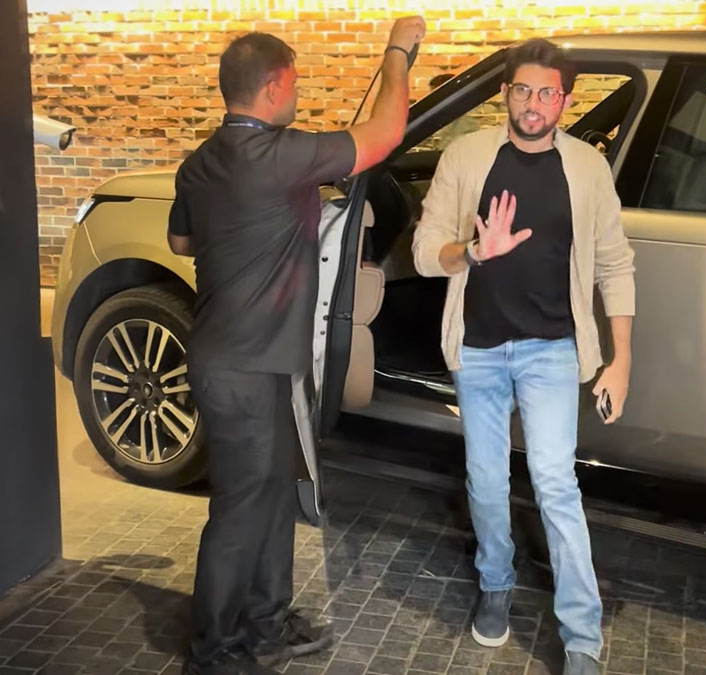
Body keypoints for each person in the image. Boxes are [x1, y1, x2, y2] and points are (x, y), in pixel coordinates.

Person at [167, 16, 426, 675]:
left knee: (274, 492)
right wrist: (398, 53)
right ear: (274, 86)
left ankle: (265, 623)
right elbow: (385, 134)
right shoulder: (282, 155)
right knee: (240, 508)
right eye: (297, 84)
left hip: (249, 361)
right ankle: (215, 650)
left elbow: (180, 242)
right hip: (245, 369)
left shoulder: (199, 163)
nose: (299, 94)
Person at [411, 38, 635, 675]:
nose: (533, 104)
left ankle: (582, 636)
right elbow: (425, 251)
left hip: (552, 348)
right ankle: (496, 582)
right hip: (478, 348)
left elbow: (615, 264)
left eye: (547, 94)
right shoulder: (466, 156)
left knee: (555, 482)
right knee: (485, 480)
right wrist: (473, 252)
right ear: (506, 93)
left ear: (565, 100)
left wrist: (621, 359)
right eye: (523, 91)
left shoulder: (587, 168)